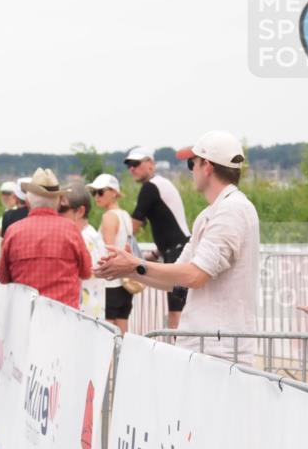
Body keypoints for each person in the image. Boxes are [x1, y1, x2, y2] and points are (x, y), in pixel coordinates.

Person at [97, 131, 259, 365]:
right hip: (207, 347)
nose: (190, 170)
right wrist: (129, 271)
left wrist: (136, 265)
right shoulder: (213, 212)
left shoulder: (231, 210)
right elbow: (178, 277)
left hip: (217, 352)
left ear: (207, 167)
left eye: (191, 163)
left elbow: (195, 275)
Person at [0, 168, 91, 309]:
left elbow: (3, 277)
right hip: (63, 317)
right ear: (59, 201)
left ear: (28, 201)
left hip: (25, 315)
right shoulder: (71, 230)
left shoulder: (13, 231)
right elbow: (86, 271)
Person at [124, 146, 191, 328]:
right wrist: (155, 254)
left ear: (150, 164)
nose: (132, 169)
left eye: (136, 164)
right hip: (177, 249)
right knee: (177, 308)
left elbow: (132, 226)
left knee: (177, 311)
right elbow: (168, 226)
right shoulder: (160, 184)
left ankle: (179, 353)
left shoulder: (151, 187)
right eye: (129, 165)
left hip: (177, 252)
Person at [86, 174, 135, 332]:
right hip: (125, 283)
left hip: (110, 282)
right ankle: (124, 358)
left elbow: (109, 252)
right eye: (94, 193)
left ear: (114, 192)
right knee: (122, 334)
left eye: (100, 192)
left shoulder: (109, 216)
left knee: (107, 333)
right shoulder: (125, 215)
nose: (96, 197)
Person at [59, 183, 106, 320]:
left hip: (84, 314)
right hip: (92, 311)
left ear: (80, 211)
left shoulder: (84, 238)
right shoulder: (91, 235)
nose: (57, 213)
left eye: (62, 208)